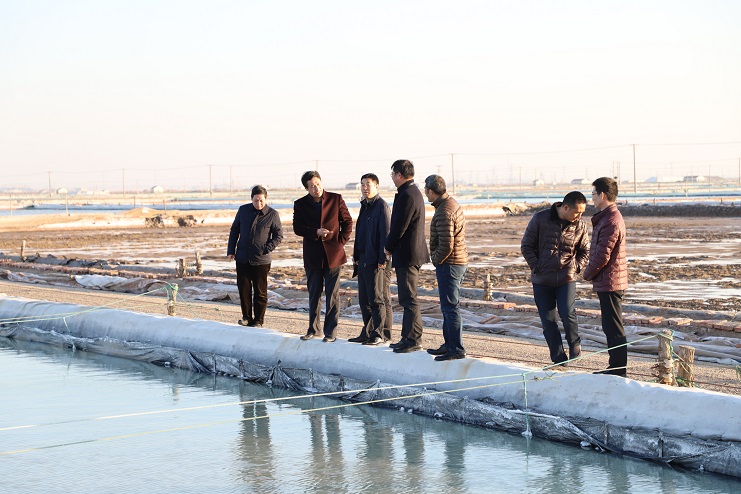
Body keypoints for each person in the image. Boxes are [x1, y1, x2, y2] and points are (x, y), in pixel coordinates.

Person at [520, 191, 589, 365]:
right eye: (577, 212)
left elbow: (585, 250)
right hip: (542, 279)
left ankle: (574, 343)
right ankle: (558, 359)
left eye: (582, 212)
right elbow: (526, 245)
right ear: (565, 207)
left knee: (567, 312)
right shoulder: (540, 218)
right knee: (548, 321)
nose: (579, 216)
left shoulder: (580, 225)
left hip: (567, 277)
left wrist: (576, 267)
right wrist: (537, 267)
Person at [293, 171, 353, 342]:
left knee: (332, 295)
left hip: (334, 254)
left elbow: (348, 222)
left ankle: (330, 332)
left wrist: (341, 241)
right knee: (314, 294)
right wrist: (315, 232)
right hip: (313, 255)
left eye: (318, 184)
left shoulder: (335, 199)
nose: (316, 188)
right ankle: (313, 329)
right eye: (312, 186)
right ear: (307, 188)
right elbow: (297, 228)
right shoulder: (300, 204)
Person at [583, 177, 628, 377]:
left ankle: (618, 369)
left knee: (613, 326)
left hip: (611, 281)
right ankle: (615, 367)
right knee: (609, 325)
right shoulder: (607, 217)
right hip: (609, 279)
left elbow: (603, 255)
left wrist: (587, 273)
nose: (591, 198)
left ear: (602, 195)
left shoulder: (610, 220)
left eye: (593, 194)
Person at [384, 160, 430, 353]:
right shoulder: (410, 192)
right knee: (406, 297)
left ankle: (413, 339)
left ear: (399, 175)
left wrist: (388, 246)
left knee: (409, 298)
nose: (392, 178)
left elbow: (399, 227)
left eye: (393, 174)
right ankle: (406, 337)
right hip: (408, 253)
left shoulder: (408, 195)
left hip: (409, 253)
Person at [423, 175, 469, 361]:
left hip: (450, 264)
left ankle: (456, 348)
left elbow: (446, 244)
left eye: (426, 189)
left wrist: (435, 260)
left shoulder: (444, 211)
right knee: (448, 307)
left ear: (431, 190)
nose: (425, 193)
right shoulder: (449, 204)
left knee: (450, 307)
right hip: (456, 262)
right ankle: (449, 344)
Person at [227, 185, 283, 328]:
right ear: (251, 199)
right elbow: (234, 231)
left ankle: (258, 320)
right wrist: (231, 250)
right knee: (244, 290)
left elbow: (278, 236)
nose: (258, 203)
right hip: (242, 258)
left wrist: (267, 249)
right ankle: (246, 317)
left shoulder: (272, 214)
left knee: (260, 292)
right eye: (256, 200)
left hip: (261, 260)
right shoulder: (243, 210)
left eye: (261, 200)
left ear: (266, 199)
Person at [349, 173, 392, 345]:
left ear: (376, 186)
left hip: (376, 260)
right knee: (363, 299)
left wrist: (383, 259)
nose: (364, 187)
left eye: (368, 184)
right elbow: (360, 233)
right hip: (363, 258)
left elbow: (386, 234)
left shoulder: (382, 206)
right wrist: (356, 256)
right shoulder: (364, 206)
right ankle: (367, 331)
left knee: (377, 298)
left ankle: (379, 333)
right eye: (362, 184)